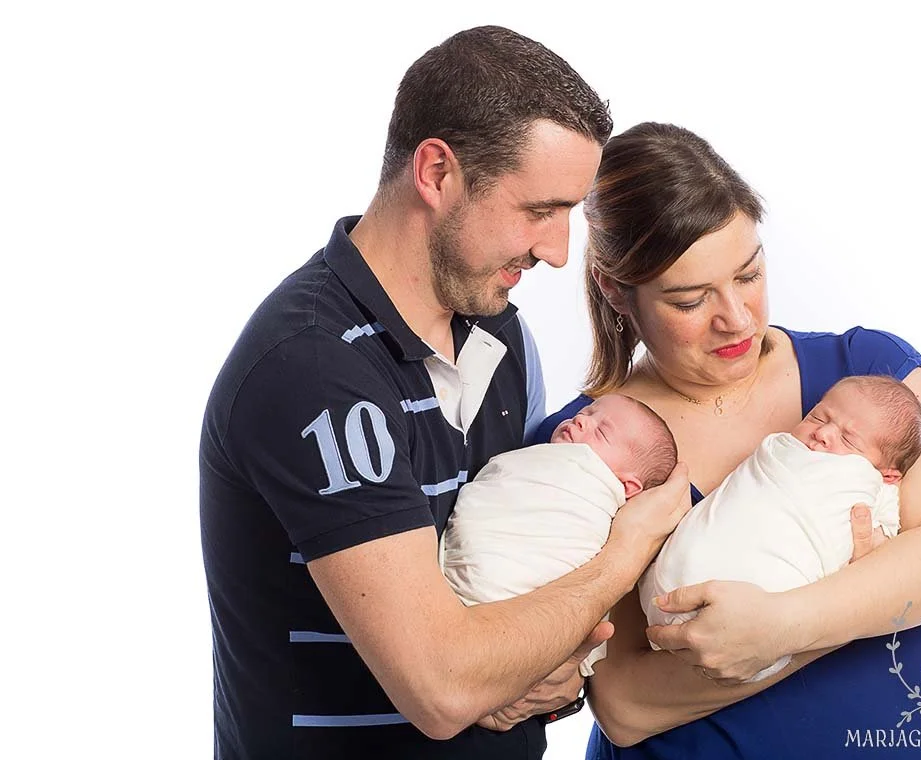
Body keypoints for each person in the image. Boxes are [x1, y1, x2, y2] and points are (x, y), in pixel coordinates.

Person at [199, 30, 692, 760]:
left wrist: (549, 680)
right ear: (436, 172)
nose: (559, 251)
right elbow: (443, 687)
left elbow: (535, 590)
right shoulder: (312, 367)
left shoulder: (505, 339)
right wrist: (628, 552)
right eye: (540, 210)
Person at [536, 122, 921, 758]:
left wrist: (783, 626)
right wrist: (861, 597)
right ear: (616, 291)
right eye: (690, 300)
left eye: (748, 274)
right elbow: (626, 704)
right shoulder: (585, 443)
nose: (736, 318)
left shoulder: (870, 375)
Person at [641, 374, 921, 682]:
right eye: (818, 417)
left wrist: (872, 552)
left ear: (888, 476)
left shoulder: (876, 487)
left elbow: (886, 552)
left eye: (849, 440)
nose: (823, 433)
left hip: (759, 616)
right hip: (669, 578)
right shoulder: (782, 449)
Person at [441, 393, 678, 675]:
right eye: (586, 413)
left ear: (628, 488)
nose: (581, 420)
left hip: (519, 613)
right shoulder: (538, 455)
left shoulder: (595, 497)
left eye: (601, 432)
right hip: (461, 593)